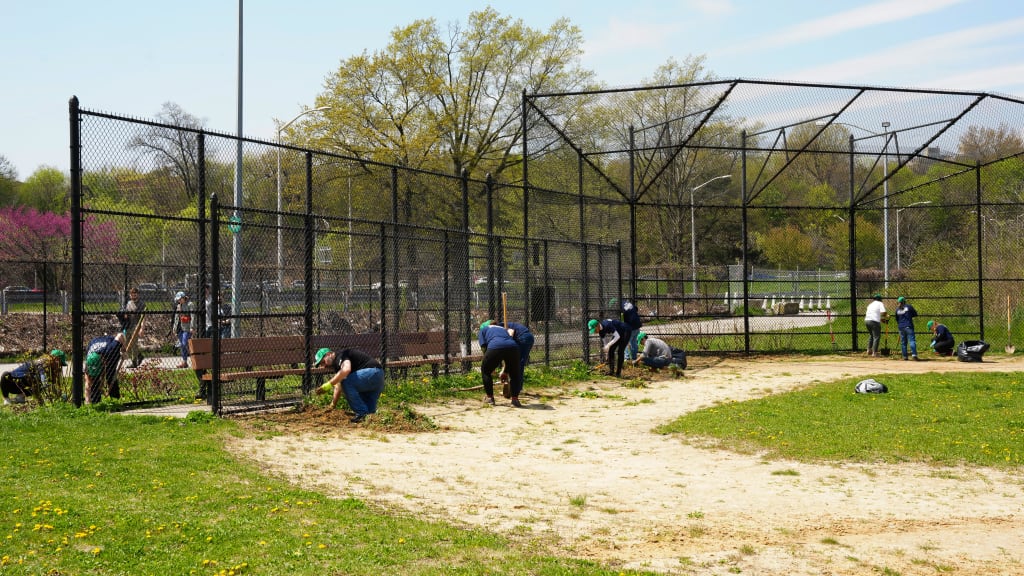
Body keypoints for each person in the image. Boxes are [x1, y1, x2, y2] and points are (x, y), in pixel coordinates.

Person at [312, 346, 384, 423]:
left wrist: (329, 384)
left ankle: (361, 414)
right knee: (370, 412)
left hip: (371, 373)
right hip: (378, 376)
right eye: (321, 365)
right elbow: (338, 386)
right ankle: (368, 417)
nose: (324, 366)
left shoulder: (340, 355)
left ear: (329, 354)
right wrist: (332, 405)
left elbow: (346, 369)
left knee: (346, 382)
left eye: (323, 362)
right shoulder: (337, 365)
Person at [478, 320, 523, 407]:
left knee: (486, 371)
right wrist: (506, 371)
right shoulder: (503, 329)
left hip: (495, 347)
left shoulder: (483, 330)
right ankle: (515, 400)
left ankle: (490, 398)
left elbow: (483, 346)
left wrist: (489, 362)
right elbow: (506, 347)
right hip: (513, 347)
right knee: (514, 374)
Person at [1, 349, 66, 405]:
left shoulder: (51, 369)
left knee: (36, 380)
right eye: (60, 363)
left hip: (24, 385)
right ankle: (6, 398)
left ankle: (20, 396)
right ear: (55, 359)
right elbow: (44, 380)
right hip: (13, 384)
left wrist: (59, 394)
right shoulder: (43, 363)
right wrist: (49, 396)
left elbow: (52, 384)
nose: (60, 366)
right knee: (5, 375)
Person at [85, 332, 125, 404]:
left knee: (111, 375)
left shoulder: (111, 349)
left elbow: (120, 335)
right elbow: (87, 383)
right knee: (94, 380)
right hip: (96, 346)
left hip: (109, 352)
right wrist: (88, 403)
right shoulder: (89, 360)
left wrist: (123, 350)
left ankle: (115, 399)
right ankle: (95, 402)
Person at [116, 286, 146, 368]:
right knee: (127, 345)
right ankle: (139, 356)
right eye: (132, 294)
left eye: (135, 294)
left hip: (136, 326)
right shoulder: (128, 303)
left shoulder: (141, 304)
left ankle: (134, 362)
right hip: (128, 326)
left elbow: (143, 318)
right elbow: (126, 314)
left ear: (138, 295)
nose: (133, 295)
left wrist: (142, 328)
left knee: (134, 344)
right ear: (130, 295)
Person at [169, 291, 194, 368]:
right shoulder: (179, 306)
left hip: (187, 327)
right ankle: (184, 362)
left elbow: (193, 316)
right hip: (180, 328)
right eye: (178, 300)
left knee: (184, 343)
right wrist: (174, 328)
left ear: (184, 298)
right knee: (182, 345)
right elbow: (176, 317)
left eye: (180, 299)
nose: (179, 301)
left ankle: (193, 358)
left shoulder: (190, 304)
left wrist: (192, 327)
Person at [894, 296, 919, 360]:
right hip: (908, 326)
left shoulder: (897, 310)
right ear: (904, 301)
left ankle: (905, 356)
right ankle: (914, 354)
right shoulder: (909, 307)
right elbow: (915, 314)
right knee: (912, 340)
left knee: (903, 342)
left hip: (901, 327)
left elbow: (897, 319)